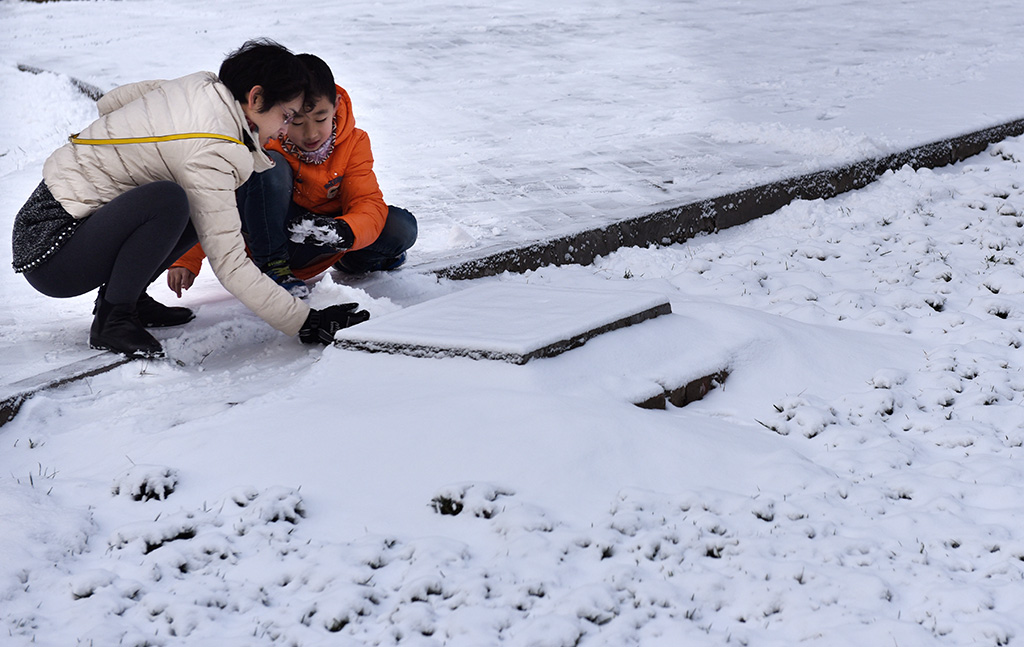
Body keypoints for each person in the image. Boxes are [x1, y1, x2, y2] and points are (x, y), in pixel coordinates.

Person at [11, 39, 369, 358]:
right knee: (171, 200)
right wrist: (304, 321)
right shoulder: (212, 147)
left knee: (187, 202)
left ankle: (129, 298)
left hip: (55, 227)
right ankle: (113, 319)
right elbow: (230, 264)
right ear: (256, 97)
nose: (285, 129)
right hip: (51, 252)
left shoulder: (201, 88)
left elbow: (114, 101)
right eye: (286, 116)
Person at [167, 53, 417, 299]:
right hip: (271, 238)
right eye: (297, 122)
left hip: (322, 243)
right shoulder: (267, 138)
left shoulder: (354, 142)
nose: (311, 133)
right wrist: (185, 258)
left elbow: (366, 201)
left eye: (321, 118)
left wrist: (344, 231)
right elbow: (218, 198)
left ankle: (357, 260)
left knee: (401, 227)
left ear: (336, 106)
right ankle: (275, 269)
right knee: (268, 166)